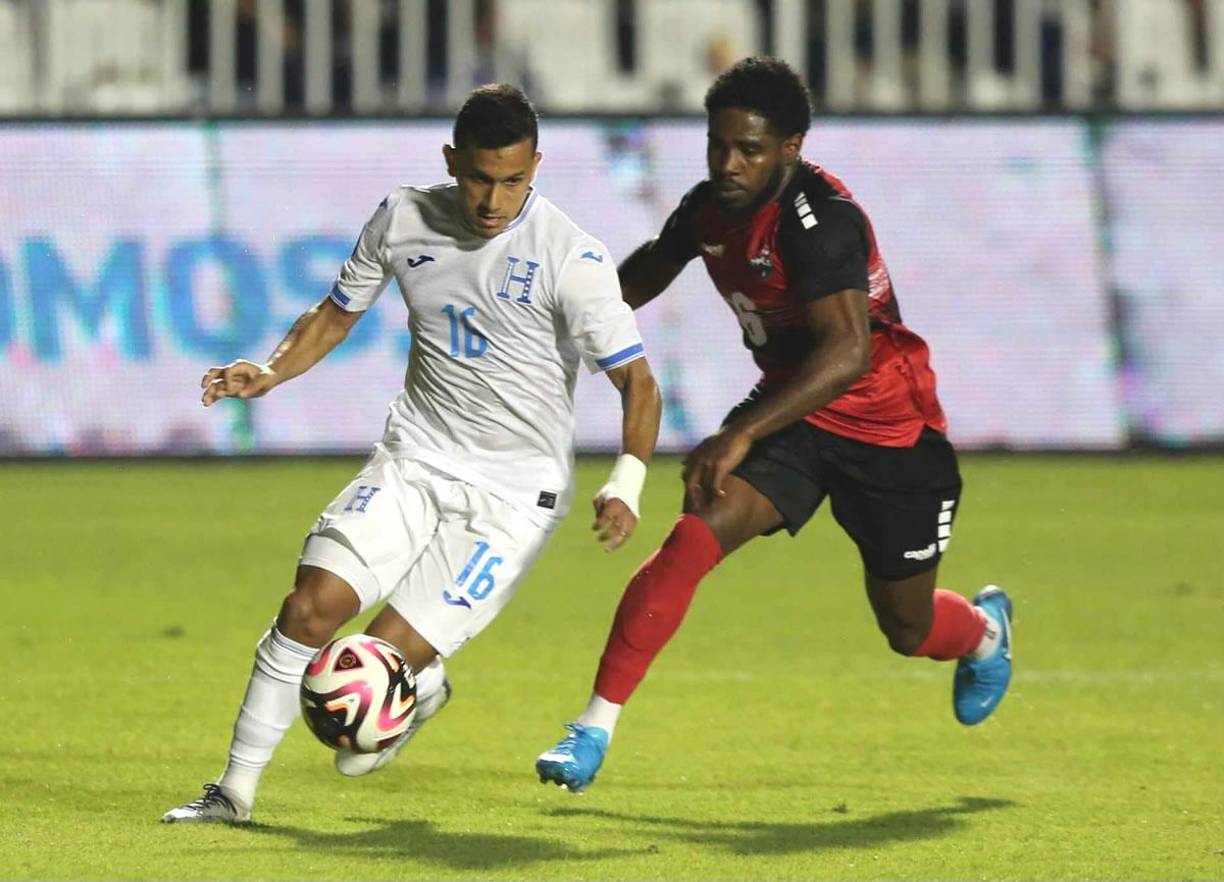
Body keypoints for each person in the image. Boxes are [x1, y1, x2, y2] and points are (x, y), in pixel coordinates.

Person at [162, 84, 662, 823]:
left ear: (537, 167)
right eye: (480, 179)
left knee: (365, 701)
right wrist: (269, 370)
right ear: (451, 160)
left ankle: (419, 686)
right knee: (307, 612)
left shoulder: (571, 258)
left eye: (514, 181)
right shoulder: (404, 217)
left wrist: (627, 481)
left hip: (511, 502)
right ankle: (232, 793)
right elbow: (336, 313)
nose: (494, 200)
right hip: (415, 460)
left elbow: (638, 383)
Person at [535, 57, 1013, 794]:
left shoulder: (819, 223)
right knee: (690, 541)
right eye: (717, 145)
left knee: (907, 629)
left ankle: (984, 634)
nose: (729, 163)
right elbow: (654, 268)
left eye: (749, 150)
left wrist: (741, 432)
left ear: (791, 147)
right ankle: (591, 728)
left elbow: (849, 352)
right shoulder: (710, 207)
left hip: (890, 433)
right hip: (793, 418)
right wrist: (561, 316)